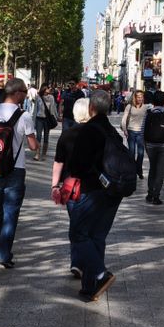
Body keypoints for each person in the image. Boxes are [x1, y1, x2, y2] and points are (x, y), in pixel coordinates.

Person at [58, 89, 124, 301]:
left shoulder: (89, 131)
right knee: (96, 237)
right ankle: (89, 287)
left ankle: (100, 274)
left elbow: (78, 166)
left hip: (91, 190)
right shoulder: (112, 131)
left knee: (78, 233)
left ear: (91, 108)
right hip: (113, 191)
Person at [0, 78, 38, 268]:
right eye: (24, 91)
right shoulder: (23, 116)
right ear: (17, 93)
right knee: (10, 212)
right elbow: (33, 146)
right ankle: (4, 254)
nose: (26, 95)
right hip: (16, 168)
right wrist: (34, 140)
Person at [50, 98, 91, 278]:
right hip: (92, 187)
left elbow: (58, 162)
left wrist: (54, 185)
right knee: (89, 226)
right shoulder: (97, 134)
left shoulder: (66, 134)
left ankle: (77, 261)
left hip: (70, 186)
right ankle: (87, 261)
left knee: (75, 223)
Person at [142, 90, 164, 205]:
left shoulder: (148, 112)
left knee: (152, 169)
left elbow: (143, 130)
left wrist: (145, 144)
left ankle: (150, 194)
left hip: (150, 146)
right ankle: (156, 196)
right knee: (160, 171)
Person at [121, 90, 146, 179]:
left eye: (141, 97)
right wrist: (125, 129)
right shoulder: (129, 106)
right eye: (138, 97)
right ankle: (132, 171)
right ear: (135, 98)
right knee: (131, 153)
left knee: (141, 153)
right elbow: (124, 119)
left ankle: (139, 170)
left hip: (141, 133)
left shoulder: (145, 107)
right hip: (131, 131)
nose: (140, 99)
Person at [34, 83, 57, 160]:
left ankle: (44, 154)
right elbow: (35, 110)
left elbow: (53, 109)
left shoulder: (51, 97)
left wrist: (56, 117)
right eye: (48, 88)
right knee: (38, 137)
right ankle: (37, 154)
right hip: (39, 119)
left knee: (46, 137)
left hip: (47, 120)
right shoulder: (38, 97)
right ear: (44, 88)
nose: (50, 89)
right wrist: (33, 121)